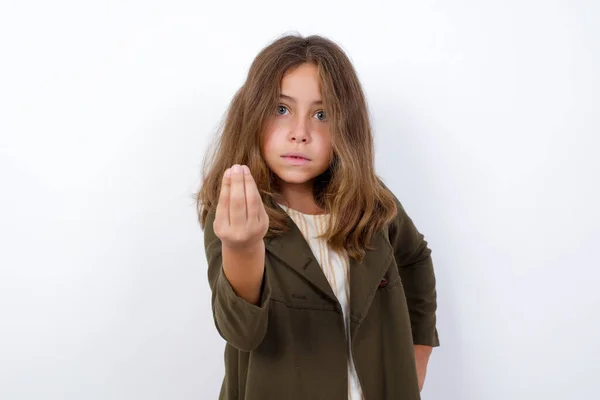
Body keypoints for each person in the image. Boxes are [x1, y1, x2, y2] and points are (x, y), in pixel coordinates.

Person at [196, 33, 440, 400]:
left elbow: (414, 257)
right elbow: (241, 332)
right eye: (281, 109)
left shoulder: (371, 203)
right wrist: (242, 246)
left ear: (346, 127)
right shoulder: (236, 211)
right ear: (253, 113)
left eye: (321, 114)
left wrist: (418, 353)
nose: (300, 134)